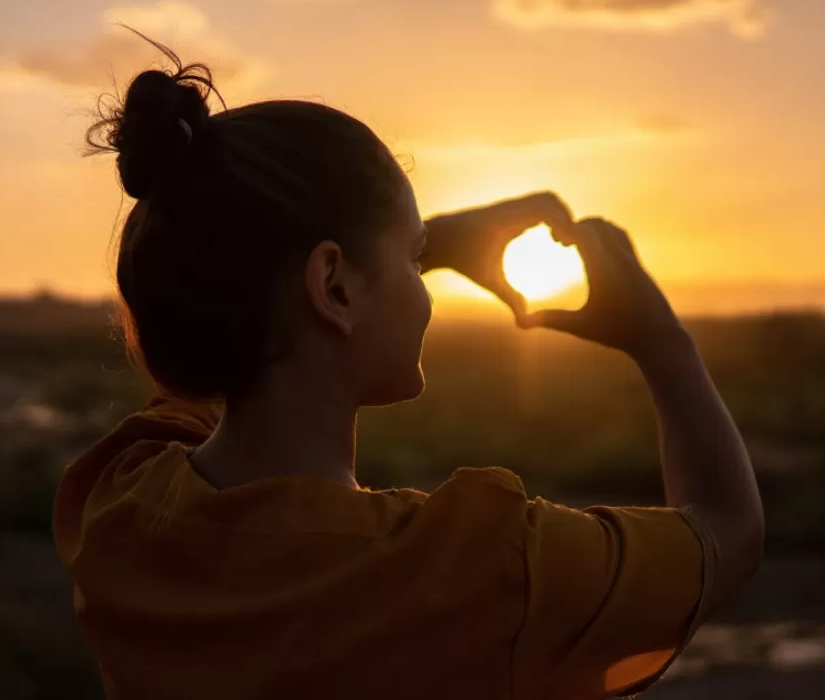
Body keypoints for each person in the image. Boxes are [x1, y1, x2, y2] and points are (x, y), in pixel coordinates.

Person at [52, 37, 764, 700]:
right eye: (412, 257)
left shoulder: (118, 503)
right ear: (332, 286)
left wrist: (392, 249)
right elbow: (726, 533)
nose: (424, 284)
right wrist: (663, 342)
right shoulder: (481, 570)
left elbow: (232, 322)